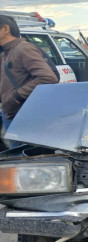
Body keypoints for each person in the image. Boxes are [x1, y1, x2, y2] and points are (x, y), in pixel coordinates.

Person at [0, 15, 58, 148]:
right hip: (11, 113)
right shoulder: (6, 53)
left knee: (25, 161)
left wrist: (16, 96)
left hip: (23, 114)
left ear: (5, 29)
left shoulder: (23, 48)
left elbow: (48, 77)